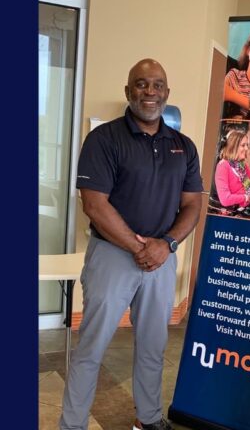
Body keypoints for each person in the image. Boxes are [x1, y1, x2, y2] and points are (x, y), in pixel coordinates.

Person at [60, 58, 203, 430]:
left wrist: (166, 244)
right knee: (91, 347)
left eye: (157, 85)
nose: (149, 92)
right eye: (141, 84)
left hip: (161, 260)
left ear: (167, 93)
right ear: (128, 91)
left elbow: (192, 204)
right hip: (112, 257)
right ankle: (72, 424)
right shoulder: (104, 139)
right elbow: (94, 203)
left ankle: (149, 419)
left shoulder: (183, 147)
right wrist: (140, 247)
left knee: (153, 347)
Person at [209, 130, 250, 220]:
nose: (246, 148)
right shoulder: (223, 166)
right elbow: (225, 199)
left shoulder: (239, 164)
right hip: (237, 213)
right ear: (233, 147)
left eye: (247, 145)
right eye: (243, 145)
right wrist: (246, 197)